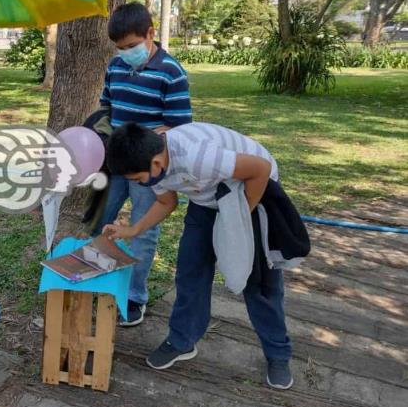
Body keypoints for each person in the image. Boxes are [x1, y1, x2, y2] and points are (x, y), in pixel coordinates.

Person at [103, 122, 297, 390]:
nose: (138, 185)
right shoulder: (155, 164)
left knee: (260, 281)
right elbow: (166, 202)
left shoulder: (198, 156)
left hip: (253, 190)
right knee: (190, 270)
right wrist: (133, 229)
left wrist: (237, 222)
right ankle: (182, 340)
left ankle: (278, 354)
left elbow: (260, 169)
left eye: (137, 180)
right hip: (208, 200)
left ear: (157, 162)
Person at [96, 2, 192, 327]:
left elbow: (179, 127)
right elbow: (106, 107)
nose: (126, 53)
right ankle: (98, 277)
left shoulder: (171, 72)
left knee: (143, 230)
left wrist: (142, 138)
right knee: (99, 218)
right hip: (115, 161)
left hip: (147, 168)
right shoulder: (115, 65)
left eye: (132, 46)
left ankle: (134, 298)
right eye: (120, 48)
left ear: (151, 34)